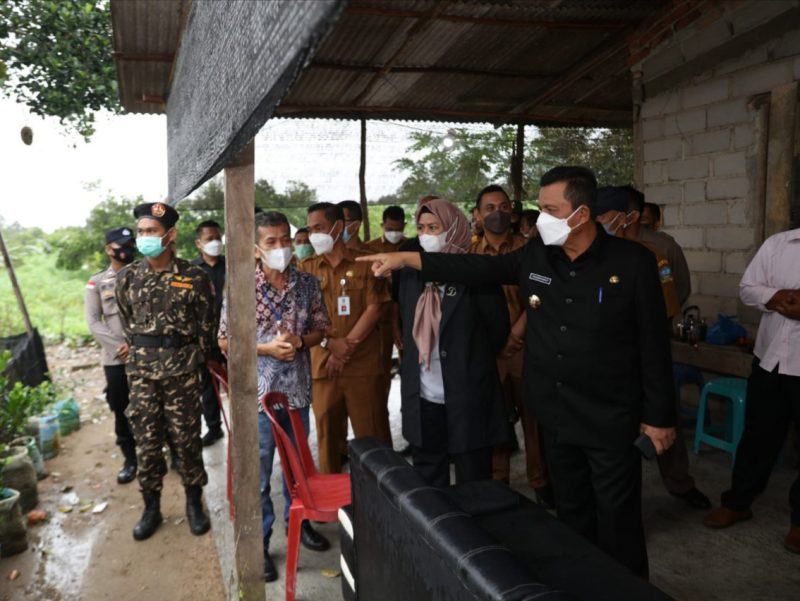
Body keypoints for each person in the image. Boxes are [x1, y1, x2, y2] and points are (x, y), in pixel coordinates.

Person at [359, 166, 677, 578]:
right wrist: (406, 258)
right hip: (556, 413)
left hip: (610, 416)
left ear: (580, 214)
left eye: (549, 208)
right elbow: (476, 270)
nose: (538, 216)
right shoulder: (537, 255)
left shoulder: (632, 262)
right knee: (571, 513)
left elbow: (654, 343)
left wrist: (660, 417)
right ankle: (579, 584)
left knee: (618, 520)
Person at [218, 211, 331, 582]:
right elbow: (223, 341)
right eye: (272, 241)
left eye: (286, 239)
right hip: (257, 398)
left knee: (299, 468)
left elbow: (321, 330)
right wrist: (266, 349)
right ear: (255, 249)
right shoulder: (239, 287)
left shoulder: (308, 284)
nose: (282, 247)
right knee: (260, 475)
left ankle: (302, 523)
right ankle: (262, 544)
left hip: (296, 393)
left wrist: (300, 341)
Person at [595, 186, 710, 510]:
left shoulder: (659, 250)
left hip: (649, 350)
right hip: (607, 354)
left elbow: (677, 293)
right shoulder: (594, 249)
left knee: (662, 415)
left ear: (630, 215)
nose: (598, 220)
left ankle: (679, 483)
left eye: (603, 215)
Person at [115, 202, 215, 541]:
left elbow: (206, 326)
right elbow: (128, 324)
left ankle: (193, 503)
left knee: (187, 440)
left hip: (182, 374)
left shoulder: (194, 276)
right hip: (141, 374)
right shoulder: (127, 277)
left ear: (170, 235)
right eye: (141, 232)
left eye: (151, 232)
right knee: (147, 441)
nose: (144, 237)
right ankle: (151, 507)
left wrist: (191, 359)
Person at [394, 198, 508, 486]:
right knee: (429, 480)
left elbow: (497, 331)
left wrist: (464, 359)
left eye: (434, 227)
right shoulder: (411, 275)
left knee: (473, 479)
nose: (426, 235)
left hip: (467, 395)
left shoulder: (476, 275)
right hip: (423, 396)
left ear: (455, 229)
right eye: (421, 228)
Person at [703, 227, 800, 554]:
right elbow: (747, 288)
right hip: (770, 361)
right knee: (758, 436)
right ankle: (739, 502)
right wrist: (775, 297)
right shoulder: (779, 244)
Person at [471, 185, 551, 506]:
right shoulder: (470, 255)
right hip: (488, 352)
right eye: (489, 208)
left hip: (526, 348)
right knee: (495, 417)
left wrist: (517, 333)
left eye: (503, 206)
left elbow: (542, 298)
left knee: (533, 419)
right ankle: (498, 479)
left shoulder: (530, 250)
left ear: (513, 212)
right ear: (477, 215)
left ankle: (540, 480)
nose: (497, 213)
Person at [298, 202, 392, 473]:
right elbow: (303, 317)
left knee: (373, 435)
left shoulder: (365, 263)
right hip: (322, 366)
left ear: (338, 227)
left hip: (362, 365)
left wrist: (345, 349)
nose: (314, 235)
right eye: (311, 229)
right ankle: (333, 501)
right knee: (327, 436)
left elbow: (375, 308)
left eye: (320, 228)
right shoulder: (305, 269)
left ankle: (382, 497)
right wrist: (331, 344)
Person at [85, 227, 139, 485]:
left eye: (130, 243)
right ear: (109, 249)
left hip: (146, 356)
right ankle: (131, 460)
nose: (126, 249)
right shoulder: (96, 282)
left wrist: (136, 344)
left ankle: (168, 453)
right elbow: (94, 322)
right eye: (121, 245)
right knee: (122, 411)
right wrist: (120, 346)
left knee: (156, 407)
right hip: (116, 361)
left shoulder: (144, 274)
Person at [191, 220, 226, 446]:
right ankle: (214, 428)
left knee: (242, 383)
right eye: (209, 239)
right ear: (198, 243)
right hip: (206, 339)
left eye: (217, 238)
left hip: (234, 336)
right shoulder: (192, 271)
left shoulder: (232, 264)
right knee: (208, 386)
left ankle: (247, 424)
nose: (215, 242)